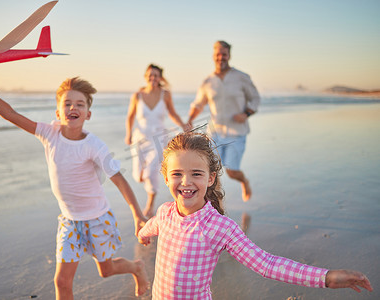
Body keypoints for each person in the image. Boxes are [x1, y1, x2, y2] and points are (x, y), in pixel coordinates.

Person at [0, 63, 150, 299]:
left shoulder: (94, 146)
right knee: (61, 281)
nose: (73, 107)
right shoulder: (49, 134)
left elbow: (118, 179)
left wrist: (136, 213)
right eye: (67, 103)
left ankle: (136, 267)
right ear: (58, 112)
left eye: (80, 104)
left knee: (106, 270)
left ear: (88, 114)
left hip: (98, 219)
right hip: (69, 222)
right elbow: (11, 114)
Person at [138, 132, 373, 299]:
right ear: (166, 178)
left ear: (210, 178)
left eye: (196, 174)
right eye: (177, 174)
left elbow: (266, 264)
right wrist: (143, 234)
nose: (186, 182)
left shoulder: (220, 228)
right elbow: (154, 225)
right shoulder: (165, 212)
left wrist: (326, 277)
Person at [188, 40, 260, 202]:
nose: (221, 57)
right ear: (214, 56)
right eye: (218, 54)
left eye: (224, 54)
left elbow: (255, 98)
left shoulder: (241, 77)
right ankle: (215, 206)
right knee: (211, 171)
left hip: (237, 132)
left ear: (229, 55)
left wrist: (246, 113)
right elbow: (198, 103)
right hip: (215, 133)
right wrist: (189, 120)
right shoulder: (208, 81)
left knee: (231, 171)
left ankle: (244, 181)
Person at [125, 64, 189, 218]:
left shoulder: (165, 94)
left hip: (158, 140)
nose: (152, 78)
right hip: (139, 139)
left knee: (151, 172)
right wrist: (128, 134)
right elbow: (130, 116)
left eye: (156, 75)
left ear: (160, 78)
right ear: (145, 76)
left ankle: (150, 204)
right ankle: (146, 187)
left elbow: (172, 113)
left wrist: (183, 125)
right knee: (137, 176)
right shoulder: (137, 95)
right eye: (150, 75)